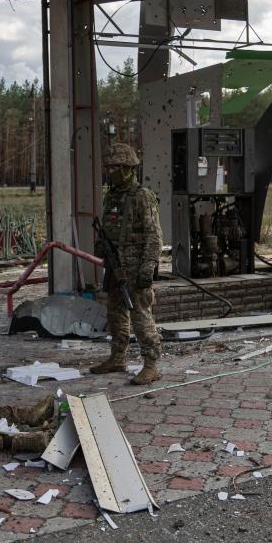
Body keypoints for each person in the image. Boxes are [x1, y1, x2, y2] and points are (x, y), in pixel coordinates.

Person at [90, 141, 164, 385]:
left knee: (140, 314)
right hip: (115, 264)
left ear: (127, 168)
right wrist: (101, 246)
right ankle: (117, 357)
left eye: (114, 166)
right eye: (107, 166)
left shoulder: (142, 196)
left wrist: (147, 267)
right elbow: (107, 229)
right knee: (115, 313)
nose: (109, 170)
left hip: (135, 266)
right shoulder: (112, 195)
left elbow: (154, 235)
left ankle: (151, 365)